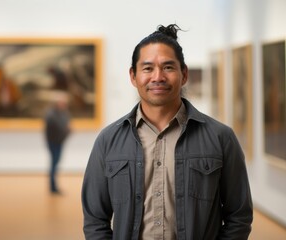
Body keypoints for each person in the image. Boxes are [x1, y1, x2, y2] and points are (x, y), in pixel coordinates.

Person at [81, 24, 253, 239]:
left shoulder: (221, 138)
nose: (158, 77)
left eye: (168, 67)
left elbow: (239, 216)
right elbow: (95, 220)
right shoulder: (108, 141)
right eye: (147, 68)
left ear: (184, 74)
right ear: (133, 76)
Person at [44, 93, 71, 194]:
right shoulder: (51, 114)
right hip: (53, 142)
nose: (64, 104)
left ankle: (53, 186)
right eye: (62, 102)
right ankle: (53, 187)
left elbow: (67, 125)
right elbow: (61, 126)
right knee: (54, 163)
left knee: (55, 163)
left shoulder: (63, 113)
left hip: (59, 141)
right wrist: (67, 129)